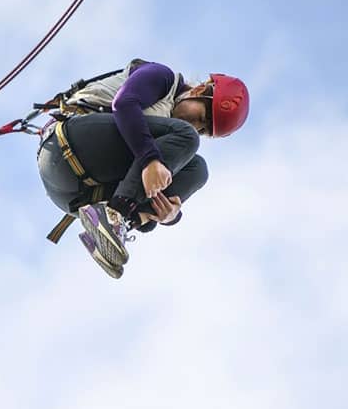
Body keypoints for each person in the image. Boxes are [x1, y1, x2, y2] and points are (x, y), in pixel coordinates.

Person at [37, 58, 249, 278]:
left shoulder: (169, 141)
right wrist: (149, 159)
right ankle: (116, 212)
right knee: (186, 139)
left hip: (76, 195)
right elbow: (124, 104)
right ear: (199, 90)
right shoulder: (162, 77)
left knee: (197, 169)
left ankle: (118, 223)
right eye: (199, 118)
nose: (195, 127)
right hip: (69, 144)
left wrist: (168, 216)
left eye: (202, 129)